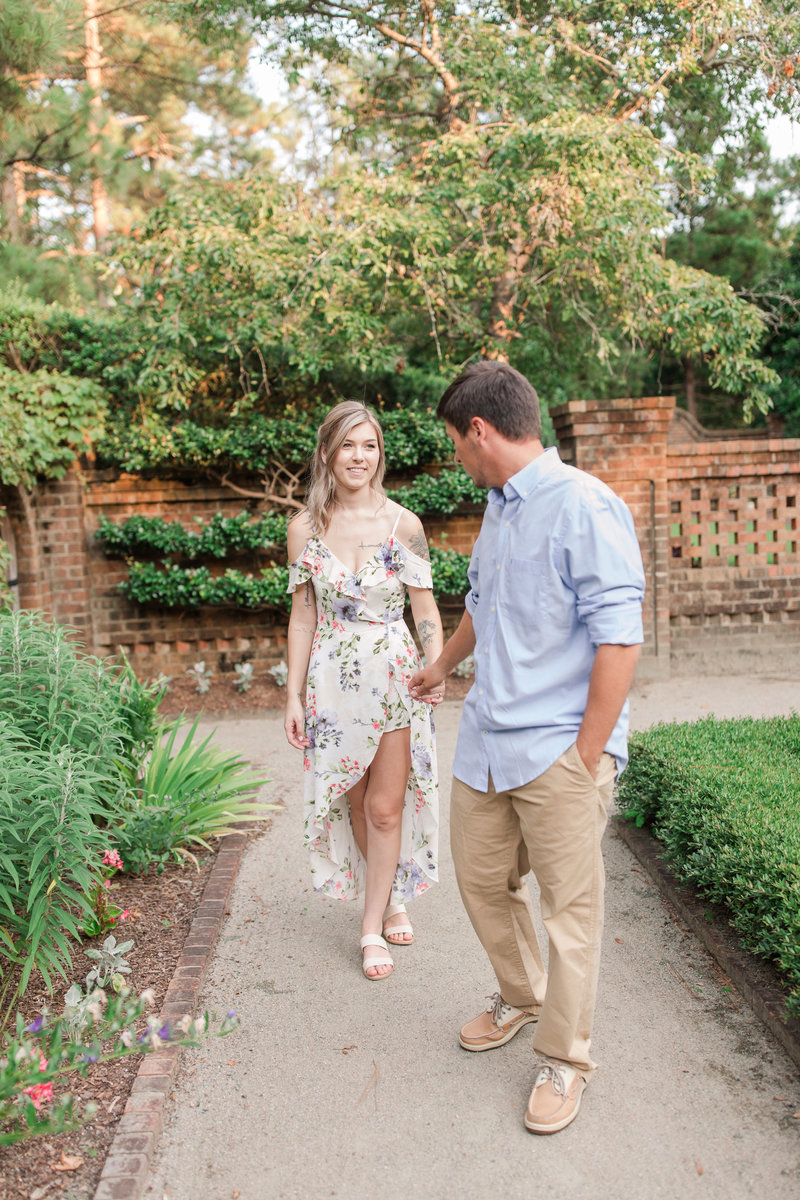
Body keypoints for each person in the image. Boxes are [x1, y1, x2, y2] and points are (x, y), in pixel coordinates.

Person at [409, 361, 645, 1133]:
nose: (456, 458)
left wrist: (586, 756)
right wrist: (442, 665)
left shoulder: (585, 506)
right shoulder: (498, 509)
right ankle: (520, 997)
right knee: (481, 883)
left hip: (557, 752)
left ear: (480, 430)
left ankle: (566, 1058)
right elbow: (482, 603)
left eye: (455, 443)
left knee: (569, 914)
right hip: (485, 741)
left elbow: (619, 640)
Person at [284, 400, 444, 981]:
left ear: (380, 454)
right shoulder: (304, 528)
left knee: (384, 806)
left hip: (394, 676)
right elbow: (303, 617)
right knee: (354, 801)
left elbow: (424, 609)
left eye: (369, 445)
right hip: (331, 681)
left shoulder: (404, 526)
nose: (359, 456)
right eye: (348, 445)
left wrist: (437, 666)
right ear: (329, 451)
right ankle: (390, 893)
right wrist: (293, 695)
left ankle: (371, 925)